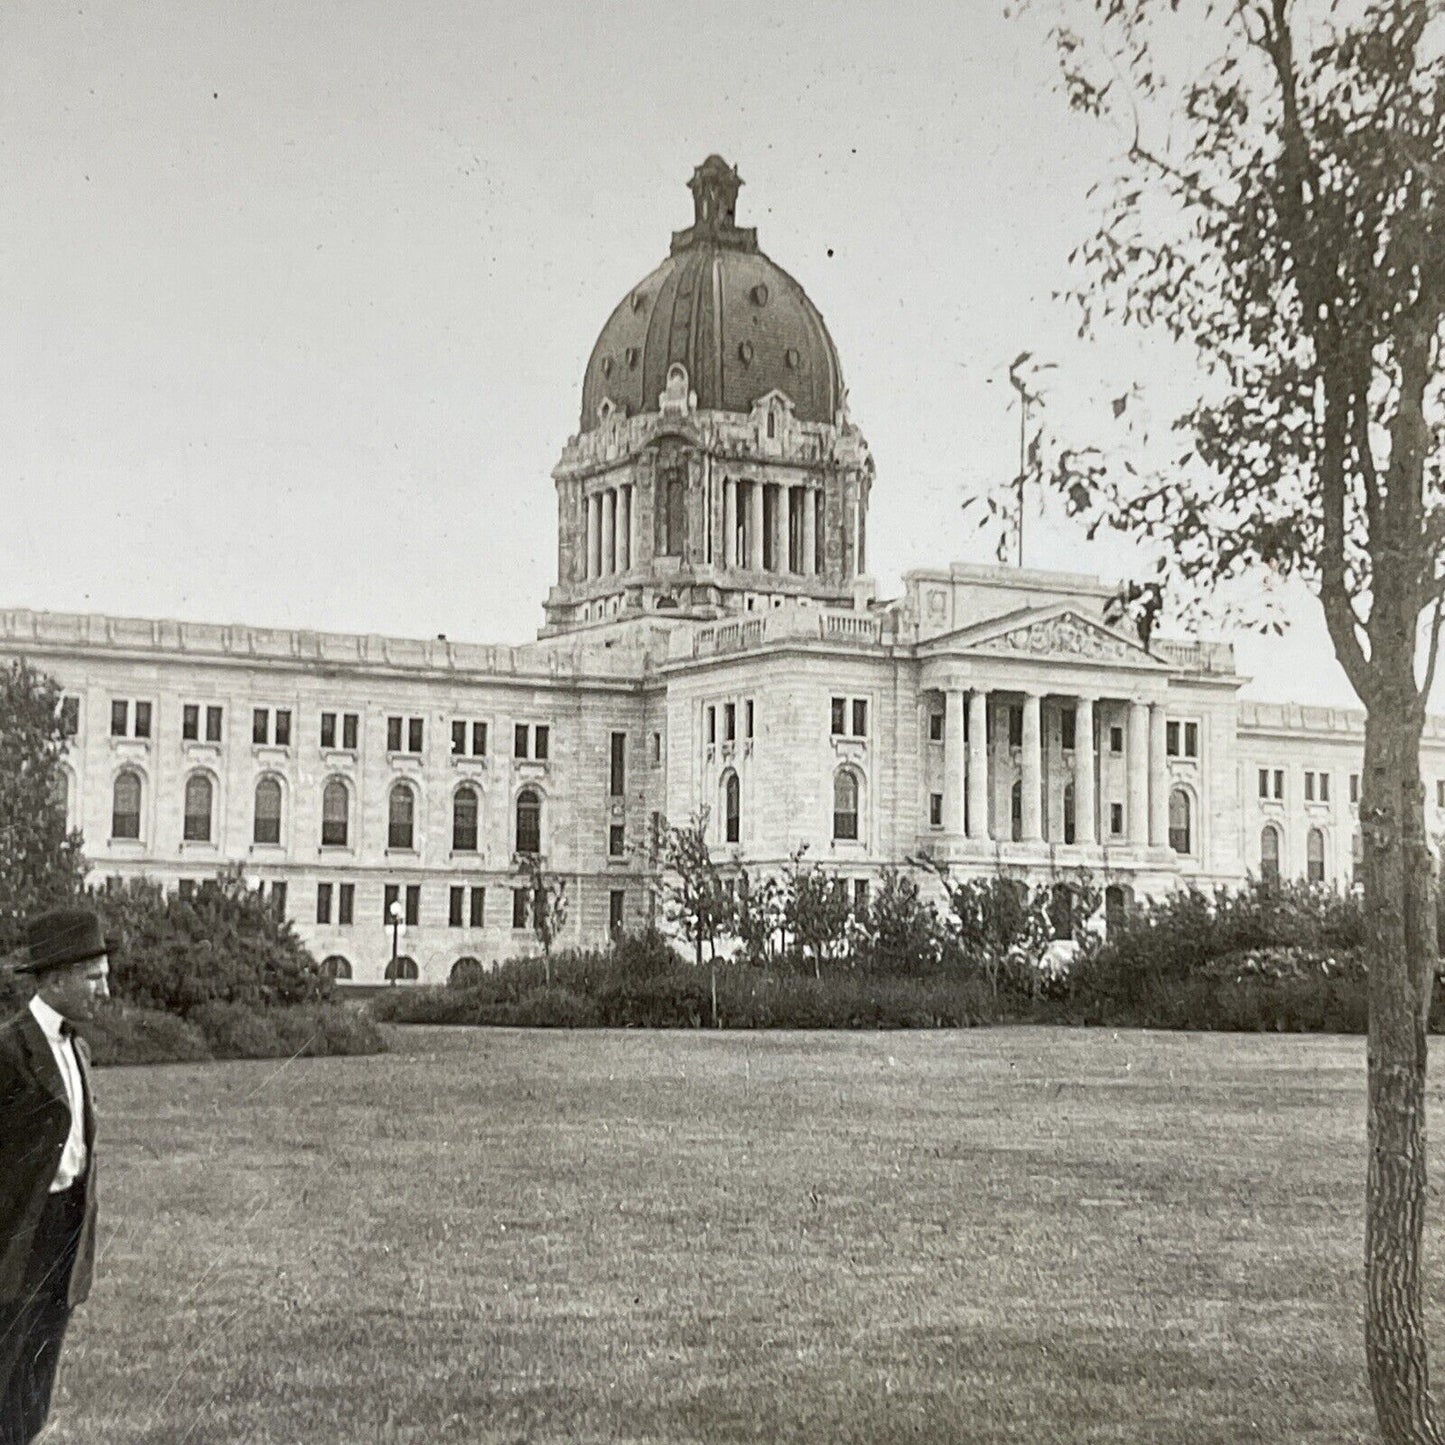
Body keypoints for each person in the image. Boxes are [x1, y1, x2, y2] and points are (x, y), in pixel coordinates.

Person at [0, 908, 110, 1445]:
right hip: (17, 1237)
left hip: (66, 1232)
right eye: (95, 979)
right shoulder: (8, 1050)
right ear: (57, 978)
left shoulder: (79, 1049)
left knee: (40, 1369)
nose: (104, 991)